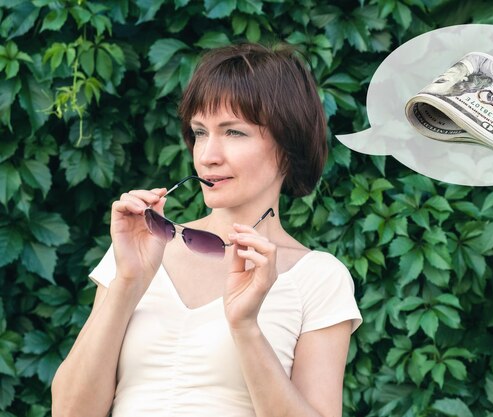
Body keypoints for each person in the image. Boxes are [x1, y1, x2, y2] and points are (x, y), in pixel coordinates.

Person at [51, 43, 362, 417]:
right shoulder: (142, 246)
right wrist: (128, 282)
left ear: (287, 144)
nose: (207, 155)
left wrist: (245, 328)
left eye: (234, 133)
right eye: (200, 132)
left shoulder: (319, 277)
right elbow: (70, 412)